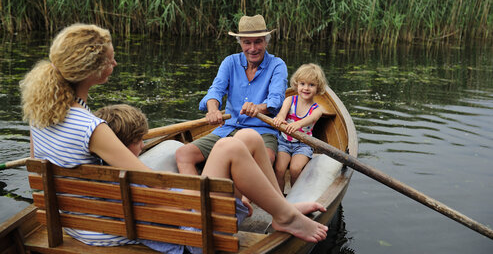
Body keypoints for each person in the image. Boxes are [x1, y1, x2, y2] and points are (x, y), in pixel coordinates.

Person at [20, 23, 327, 251]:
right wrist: (195, 200)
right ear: (93, 69)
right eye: (110, 60)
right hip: (111, 229)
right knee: (231, 146)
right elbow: (152, 185)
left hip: (80, 222)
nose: (114, 65)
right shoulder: (92, 127)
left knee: (249, 139)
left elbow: (41, 163)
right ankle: (284, 215)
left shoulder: (41, 113)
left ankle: (281, 210)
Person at [175, 14, 288, 175]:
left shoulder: (277, 65)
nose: (253, 48)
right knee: (183, 154)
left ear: (266, 41)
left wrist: (258, 108)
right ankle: (197, 198)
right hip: (228, 129)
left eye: (258, 42)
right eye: (247, 42)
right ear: (240, 42)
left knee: (267, 158)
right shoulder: (230, 62)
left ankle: (246, 200)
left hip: (262, 132)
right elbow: (215, 91)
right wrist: (213, 109)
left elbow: (275, 101)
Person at [273, 63, 328, 193]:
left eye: (311, 85)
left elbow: (311, 119)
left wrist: (298, 124)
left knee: (295, 169)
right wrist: (280, 118)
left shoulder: (317, 110)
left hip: (303, 145)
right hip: (284, 142)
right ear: (297, 85)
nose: (306, 88)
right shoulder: (290, 100)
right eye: (302, 84)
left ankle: (295, 198)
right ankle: (280, 199)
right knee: (279, 169)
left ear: (318, 87)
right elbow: (281, 114)